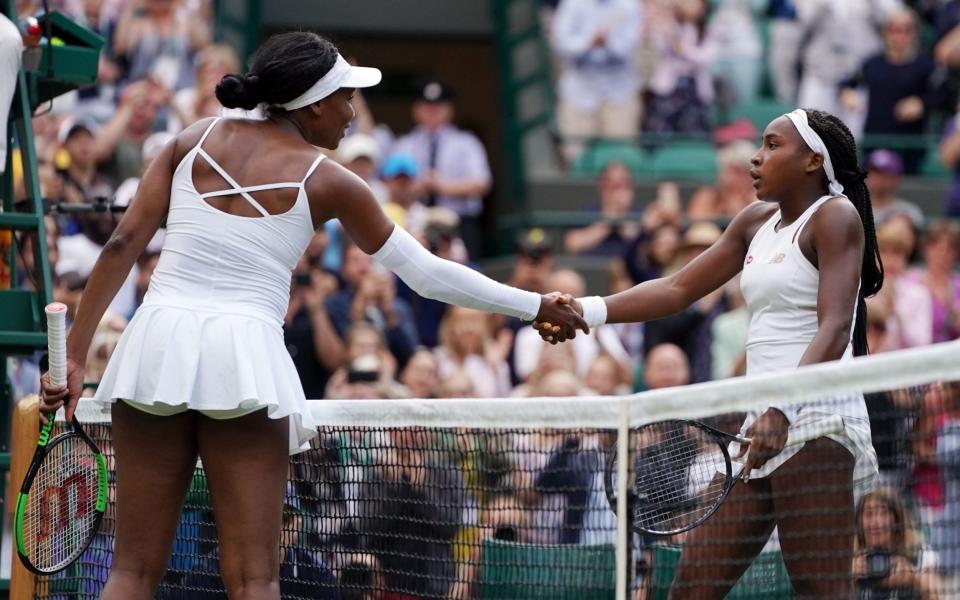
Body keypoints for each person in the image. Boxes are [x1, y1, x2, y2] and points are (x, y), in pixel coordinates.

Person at [38, 32, 585, 600]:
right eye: (347, 97)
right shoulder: (331, 180)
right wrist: (534, 303)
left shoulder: (190, 140)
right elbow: (427, 274)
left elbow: (123, 242)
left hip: (154, 348)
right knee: (255, 579)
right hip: (242, 361)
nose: (353, 113)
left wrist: (75, 354)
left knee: (131, 573)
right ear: (315, 104)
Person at [540, 108, 884, 597]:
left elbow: (835, 326)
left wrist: (782, 410)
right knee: (691, 586)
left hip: (817, 421)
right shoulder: (753, 222)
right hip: (763, 425)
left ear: (812, 160)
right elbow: (678, 287)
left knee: (819, 590)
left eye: (772, 145)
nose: (756, 157)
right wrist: (587, 310)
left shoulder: (835, 217)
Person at [391, 80, 492, 258]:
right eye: (426, 106)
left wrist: (442, 185)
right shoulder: (404, 144)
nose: (432, 112)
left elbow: (482, 183)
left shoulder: (466, 142)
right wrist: (415, 187)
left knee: (465, 279)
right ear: (416, 110)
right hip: (416, 222)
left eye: (438, 107)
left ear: (449, 110)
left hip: (459, 222)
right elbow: (390, 183)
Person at [853, 488, 941, 599]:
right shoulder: (848, 557)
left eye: (884, 513)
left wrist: (914, 579)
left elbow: (937, 596)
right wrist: (846, 577)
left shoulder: (920, 554)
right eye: (869, 514)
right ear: (859, 521)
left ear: (896, 519)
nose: (876, 521)